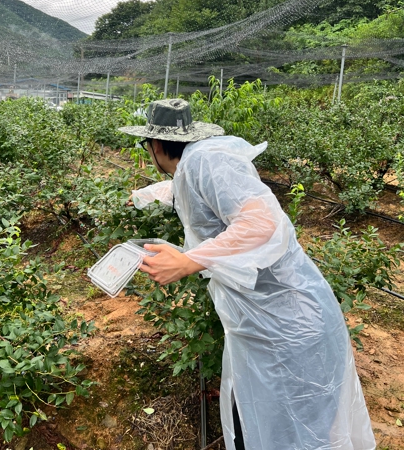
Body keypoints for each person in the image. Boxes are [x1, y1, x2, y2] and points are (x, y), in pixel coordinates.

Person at [119, 98, 376, 450]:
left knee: (295, 428)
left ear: (157, 146)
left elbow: (261, 222)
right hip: (268, 323)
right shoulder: (195, 164)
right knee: (265, 422)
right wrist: (143, 195)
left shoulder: (206, 161)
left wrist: (188, 260)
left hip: (289, 327)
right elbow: (197, 194)